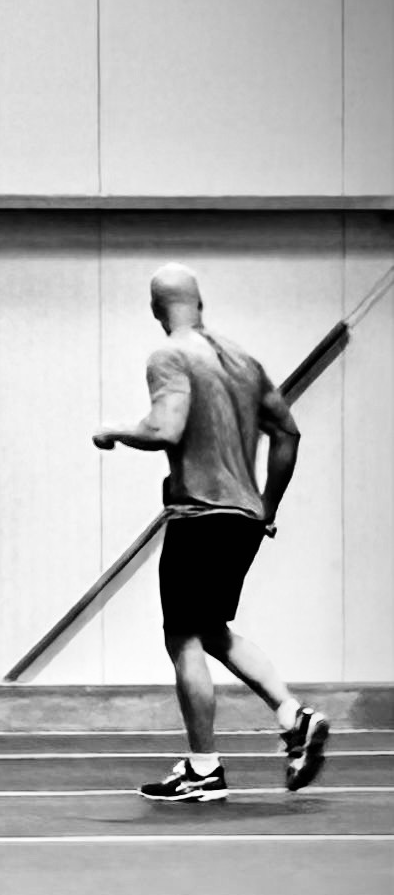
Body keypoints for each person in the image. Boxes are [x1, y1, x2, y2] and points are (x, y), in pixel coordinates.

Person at [92, 263, 329, 803]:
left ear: (157, 309)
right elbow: (288, 432)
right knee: (213, 629)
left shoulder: (169, 355)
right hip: (243, 518)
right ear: (200, 302)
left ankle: (203, 769)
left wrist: (116, 432)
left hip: (199, 515)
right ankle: (294, 716)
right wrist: (265, 505)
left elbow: (164, 428)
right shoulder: (244, 361)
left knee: (183, 637)